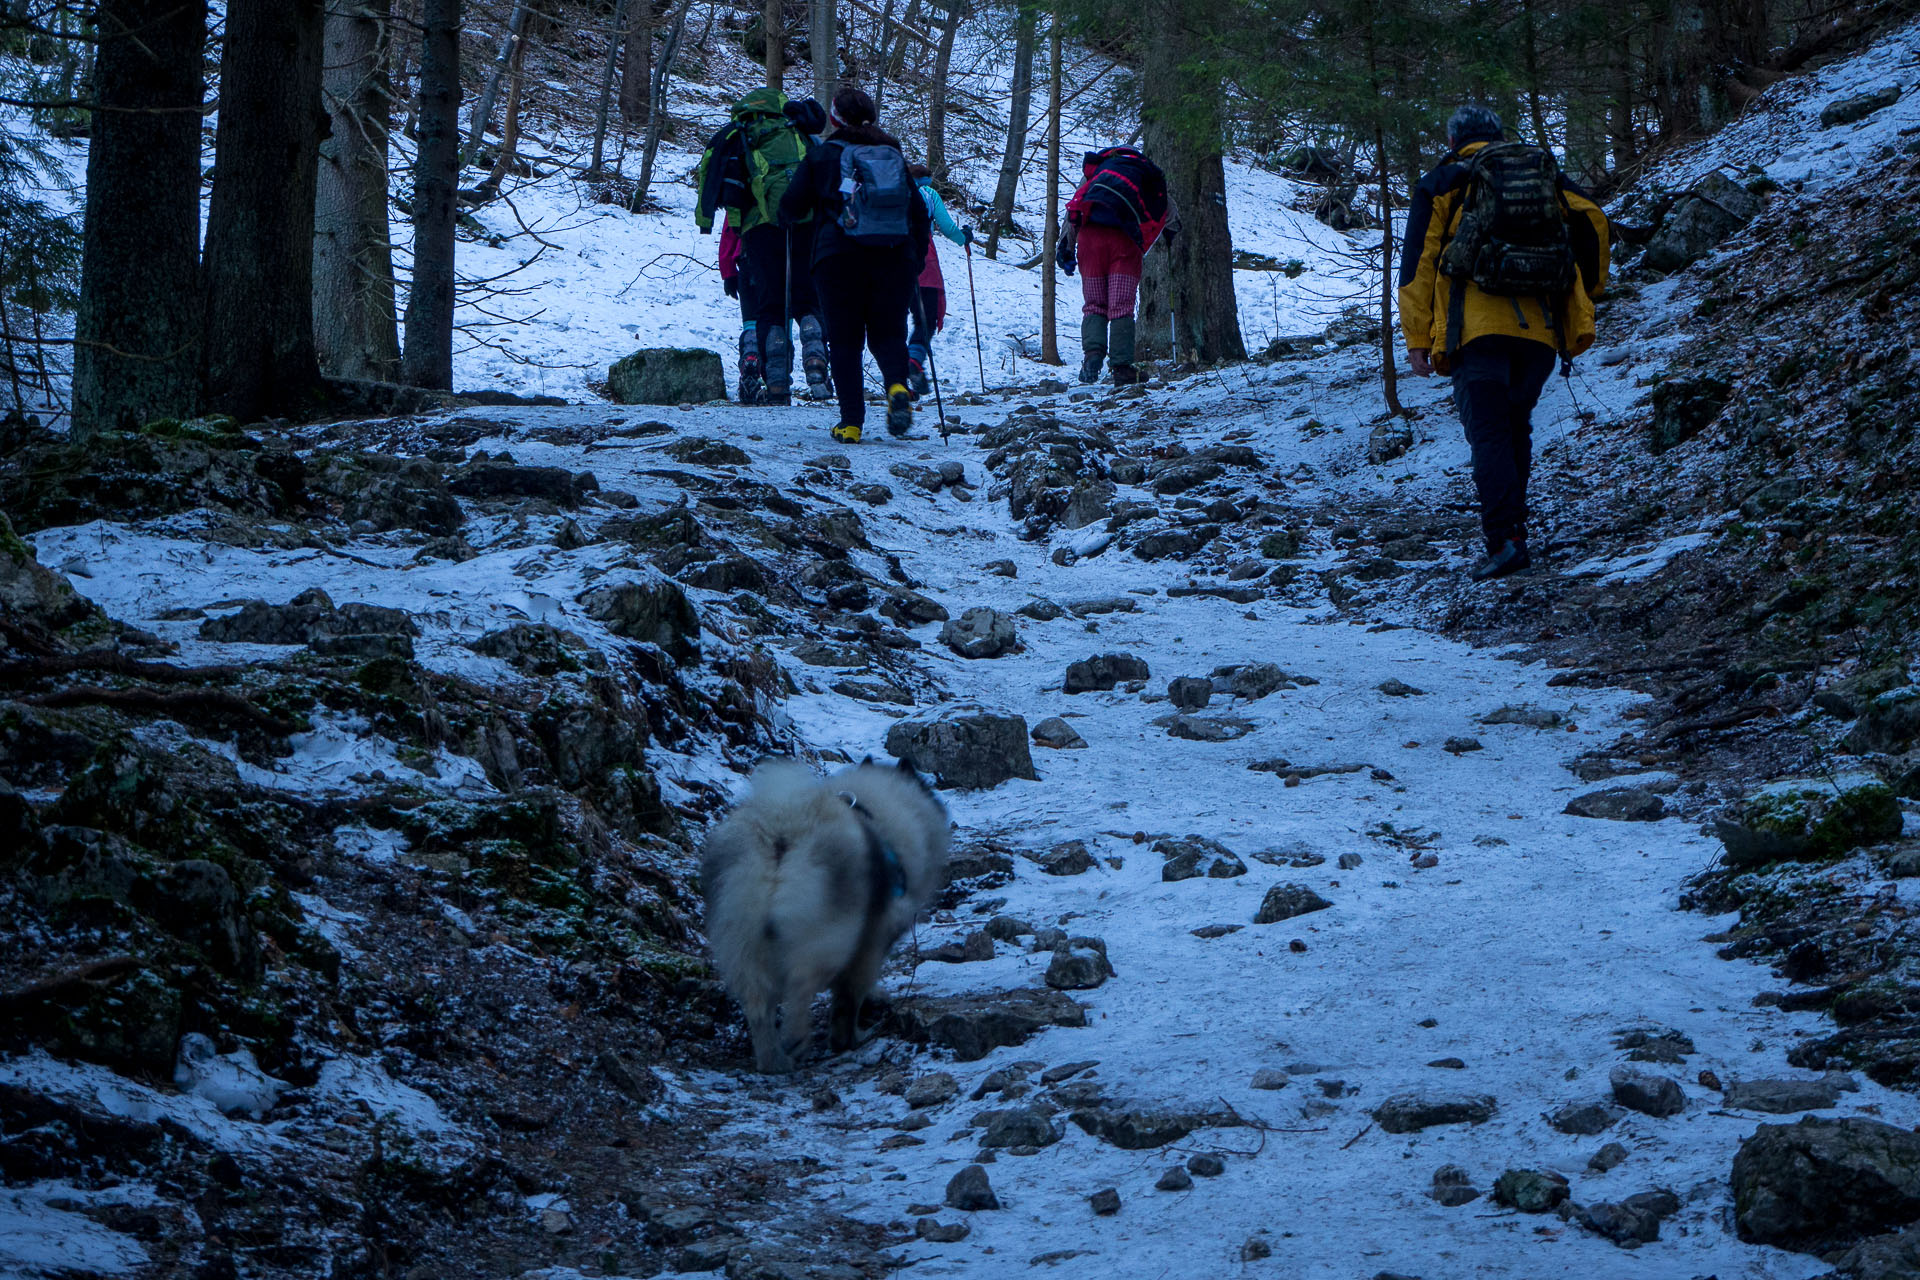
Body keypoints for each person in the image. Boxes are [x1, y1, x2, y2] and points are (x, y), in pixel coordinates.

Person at [1399, 105, 1610, 582]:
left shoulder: (1444, 180)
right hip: (1540, 332)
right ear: (1497, 135)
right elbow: (1594, 221)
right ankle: (1514, 534)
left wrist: (1416, 336)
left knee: (1490, 434)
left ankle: (1506, 540)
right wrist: (1589, 292)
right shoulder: (1539, 171)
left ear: (1453, 139)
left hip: (1476, 331)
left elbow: (1419, 262)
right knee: (1516, 428)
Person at [778, 88, 932, 444]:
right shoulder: (891, 154)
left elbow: (790, 207)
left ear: (835, 119)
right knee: (889, 334)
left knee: (846, 341)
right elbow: (919, 214)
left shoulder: (823, 156)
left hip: (837, 259)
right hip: (894, 258)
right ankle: (896, 386)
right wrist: (915, 258)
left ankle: (851, 424)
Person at [694, 89, 833, 404]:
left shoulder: (741, 135)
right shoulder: (797, 130)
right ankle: (814, 347)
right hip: (805, 223)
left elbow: (711, 172)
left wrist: (706, 220)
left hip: (760, 229)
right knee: (807, 300)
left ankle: (778, 385)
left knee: (770, 308)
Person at [1057, 145, 1172, 386]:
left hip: (1090, 241)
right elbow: (1170, 213)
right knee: (1121, 307)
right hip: (1124, 241)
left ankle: (1092, 358)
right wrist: (1171, 235)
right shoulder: (1144, 174)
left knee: (1094, 304)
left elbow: (1075, 209)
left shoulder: (1096, 172)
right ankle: (1121, 368)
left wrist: (1065, 246)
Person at [905, 164, 971, 399]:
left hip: (890, 259)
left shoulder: (893, 191)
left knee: (893, 322)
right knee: (926, 319)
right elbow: (946, 226)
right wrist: (964, 238)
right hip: (923, 259)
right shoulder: (928, 194)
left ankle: (897, 382)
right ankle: (913, 358)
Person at [717, 220, 760, 404]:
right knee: (779, 322)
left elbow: (730, 229)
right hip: (785, 258)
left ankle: (751, 358)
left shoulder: (746, 189)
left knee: (751, 322)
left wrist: (728, 272)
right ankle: (778, 383)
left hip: (748, 256)